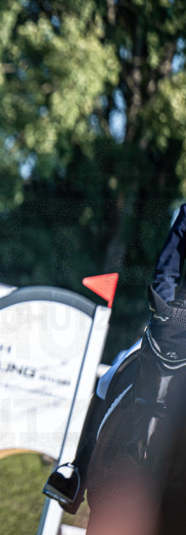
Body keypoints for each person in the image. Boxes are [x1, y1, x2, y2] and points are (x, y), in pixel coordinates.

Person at [44, 203, 186, 513]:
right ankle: (76, 474)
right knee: (113, 373)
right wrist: (163, 307)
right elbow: (169, 265)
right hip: (175, 322)